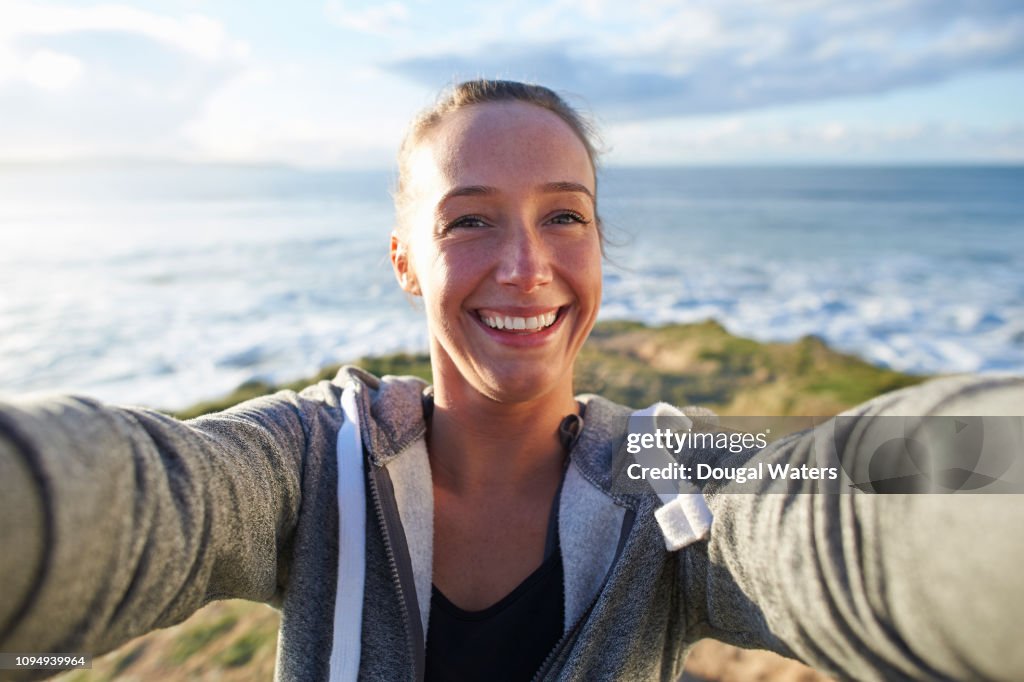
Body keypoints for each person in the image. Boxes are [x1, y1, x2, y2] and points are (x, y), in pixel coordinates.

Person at [1, 79, 1022, 682]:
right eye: (469, 218)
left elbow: (844, 511)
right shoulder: (315, 461)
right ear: (405, 258)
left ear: (599, 245)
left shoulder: (668, 464)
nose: (525, 265)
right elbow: (140, 499)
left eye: (564, 215)